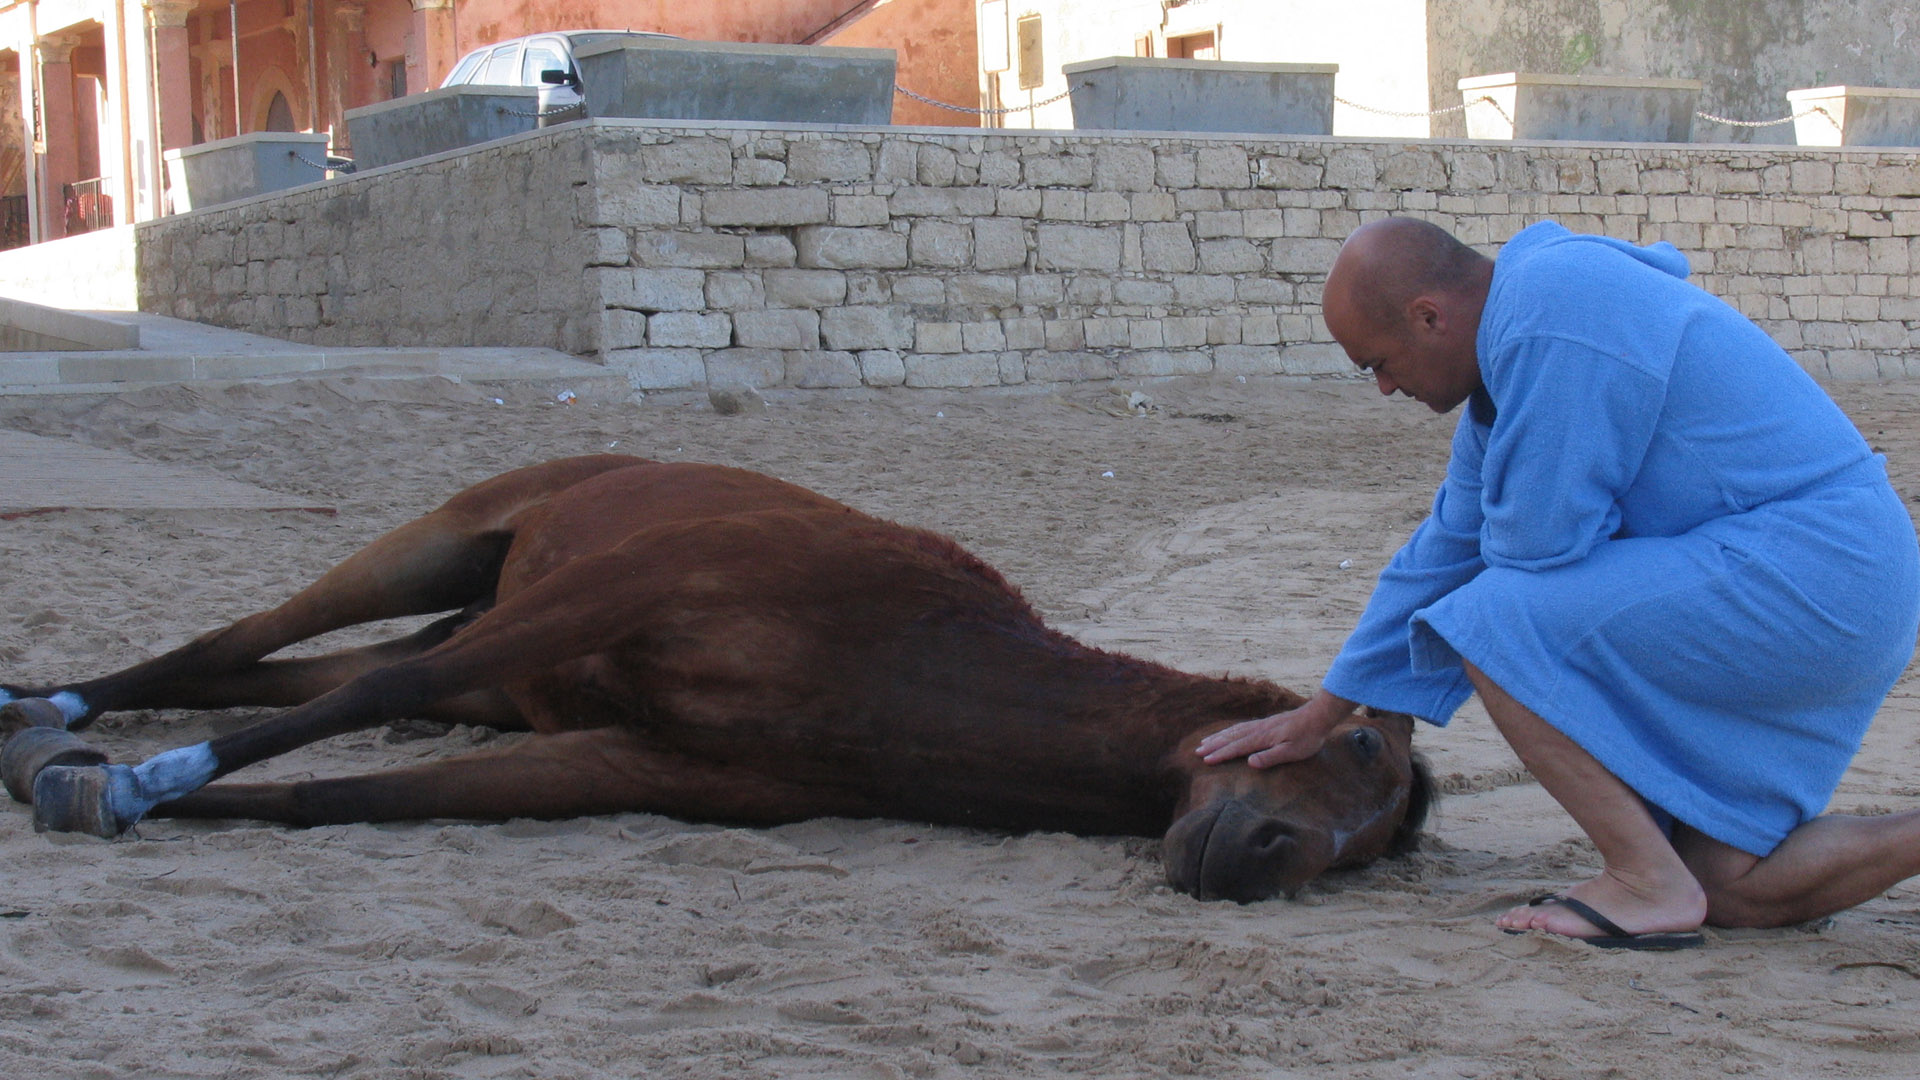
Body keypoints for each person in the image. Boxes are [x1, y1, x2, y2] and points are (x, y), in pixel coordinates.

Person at [1198, 217, 1920, 949]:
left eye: (1379, 363)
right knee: (1726, 885)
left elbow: (1535, 550)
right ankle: (1682, 876)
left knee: (1489, 620)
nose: (1385, 387)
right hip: (1837, 581)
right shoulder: (1515, 355)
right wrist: (1321, 712)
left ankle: (1642, 879)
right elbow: (1444, 547)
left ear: (1428, 316)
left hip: (1816, 571)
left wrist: (1418, 665)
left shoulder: (1555, 311)